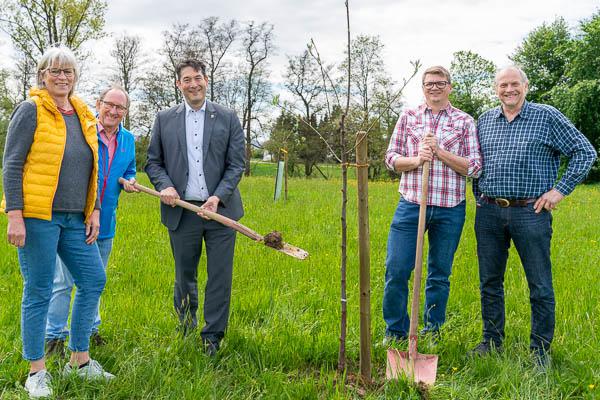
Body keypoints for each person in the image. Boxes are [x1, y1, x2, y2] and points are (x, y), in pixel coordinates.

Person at [1, 46, 114, 398]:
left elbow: (94, 166)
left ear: (75, 77)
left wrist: (94, 209)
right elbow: (12, 164)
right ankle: (36, 371)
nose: (62, 77)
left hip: (74, 218)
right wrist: (15, 215)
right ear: (42, 75)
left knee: (93, 280)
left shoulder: (83, 113)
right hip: (38, 217)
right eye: (55, 71)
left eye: (68, 71)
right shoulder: (30, 110)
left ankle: (79, 362)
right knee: (39, 290)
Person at [470, 65, 597, 368]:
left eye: (514, 84)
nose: (508, 90)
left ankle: (540, 351)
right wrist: (479, 196)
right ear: (495, 88)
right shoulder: (485, 121)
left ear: (525, 87)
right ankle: (491, 341)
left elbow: (584, 151)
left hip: (531, 212)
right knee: (489, 281)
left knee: (539, 284)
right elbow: (476, 163)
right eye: (503, 85)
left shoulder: (547, 116)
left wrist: (559, 191)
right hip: (488, 212)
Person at [145, 58, 245, 356]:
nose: (193, 84)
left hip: (221, 212)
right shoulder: (165, 118)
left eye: (198, 77)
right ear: (179, 85)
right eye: (186, 79)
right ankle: (186, 328)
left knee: (219, 276)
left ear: (206, 80)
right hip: (182, 211)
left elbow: (236, 164)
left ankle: (212, 336)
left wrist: (218, 197)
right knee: (184, 274)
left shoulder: (227, 117)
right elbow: (153, 161)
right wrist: (164, 185)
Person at [383, 66, 482, 342]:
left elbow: (474, 168)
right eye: (429, 83)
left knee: (439, 273)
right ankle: (396, 331)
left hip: (450, 209)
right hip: (412, 204)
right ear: (423, 87)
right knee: (397, 268)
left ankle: (432, 331)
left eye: (441, 83)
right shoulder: (409, 116)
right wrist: (416, 160)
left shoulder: (464, 121)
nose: (435, 87)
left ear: (450, 87)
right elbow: (391, 158)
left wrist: (439, 152)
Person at [45, 85, 138, 356]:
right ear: (98, 103)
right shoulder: (83, 132)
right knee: (64, 281)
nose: (114, 111)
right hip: (75, 219)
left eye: (120, 107)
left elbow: (129, 167)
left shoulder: (128, 140)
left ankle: (88, 330)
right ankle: (54, 336)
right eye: (109, 104)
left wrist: (130, 179)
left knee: (94, 280)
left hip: (106, 221)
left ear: (125, 112)